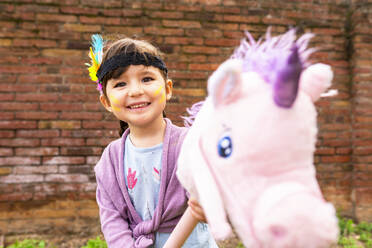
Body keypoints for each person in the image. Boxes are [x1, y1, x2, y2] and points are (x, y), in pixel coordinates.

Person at [88, 35, 218, 248]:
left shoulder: (189, 144)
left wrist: (209, 208)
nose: (136, 91)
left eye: (147, 79)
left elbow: (209, 196)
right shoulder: (111, 158)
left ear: (167, 89)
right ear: (107, 102)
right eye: (120, 84)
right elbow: (113, 220)